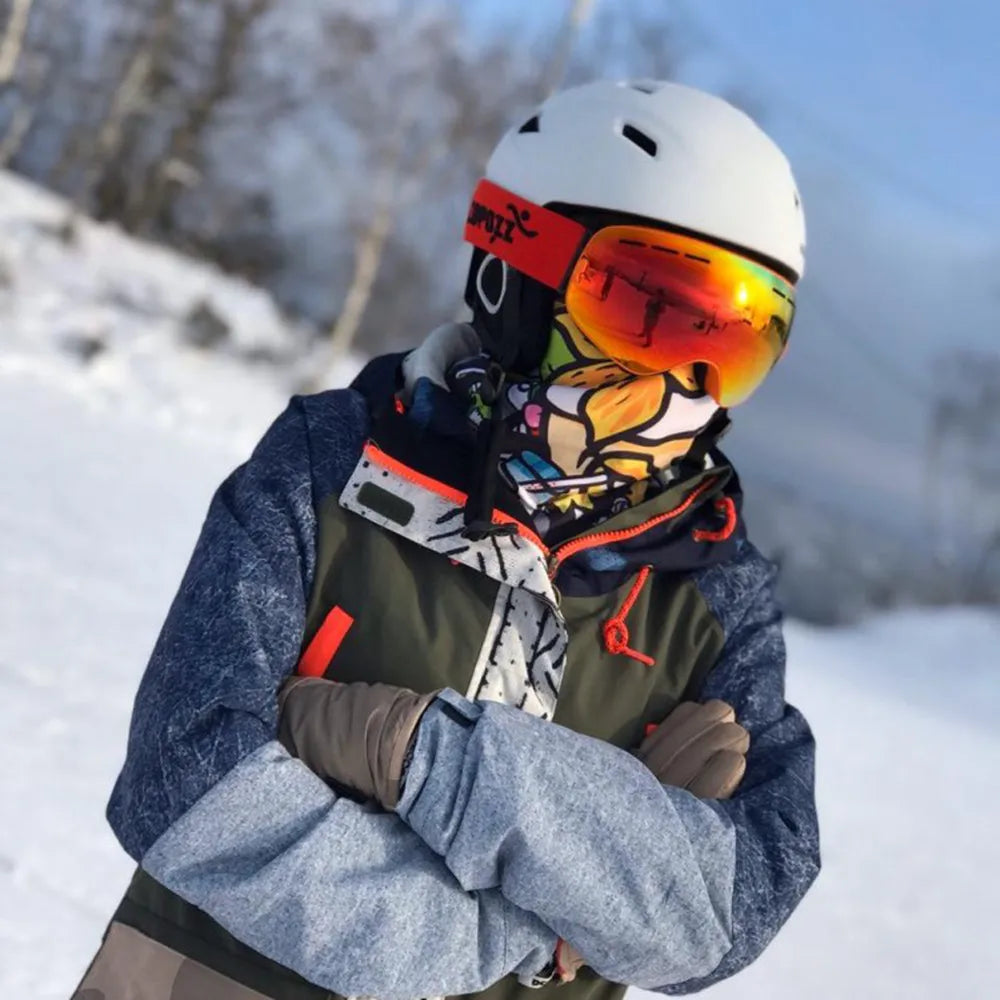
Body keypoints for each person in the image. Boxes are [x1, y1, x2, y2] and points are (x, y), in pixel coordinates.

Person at [73, 80, 819, 1000]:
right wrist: (553, 918)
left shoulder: (712, 591)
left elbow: (732, 909)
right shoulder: (329, 465)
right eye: (648, 309)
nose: (684, 384)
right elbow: (183, 780)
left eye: (733, 343)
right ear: (517, 271)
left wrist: (419, 752)